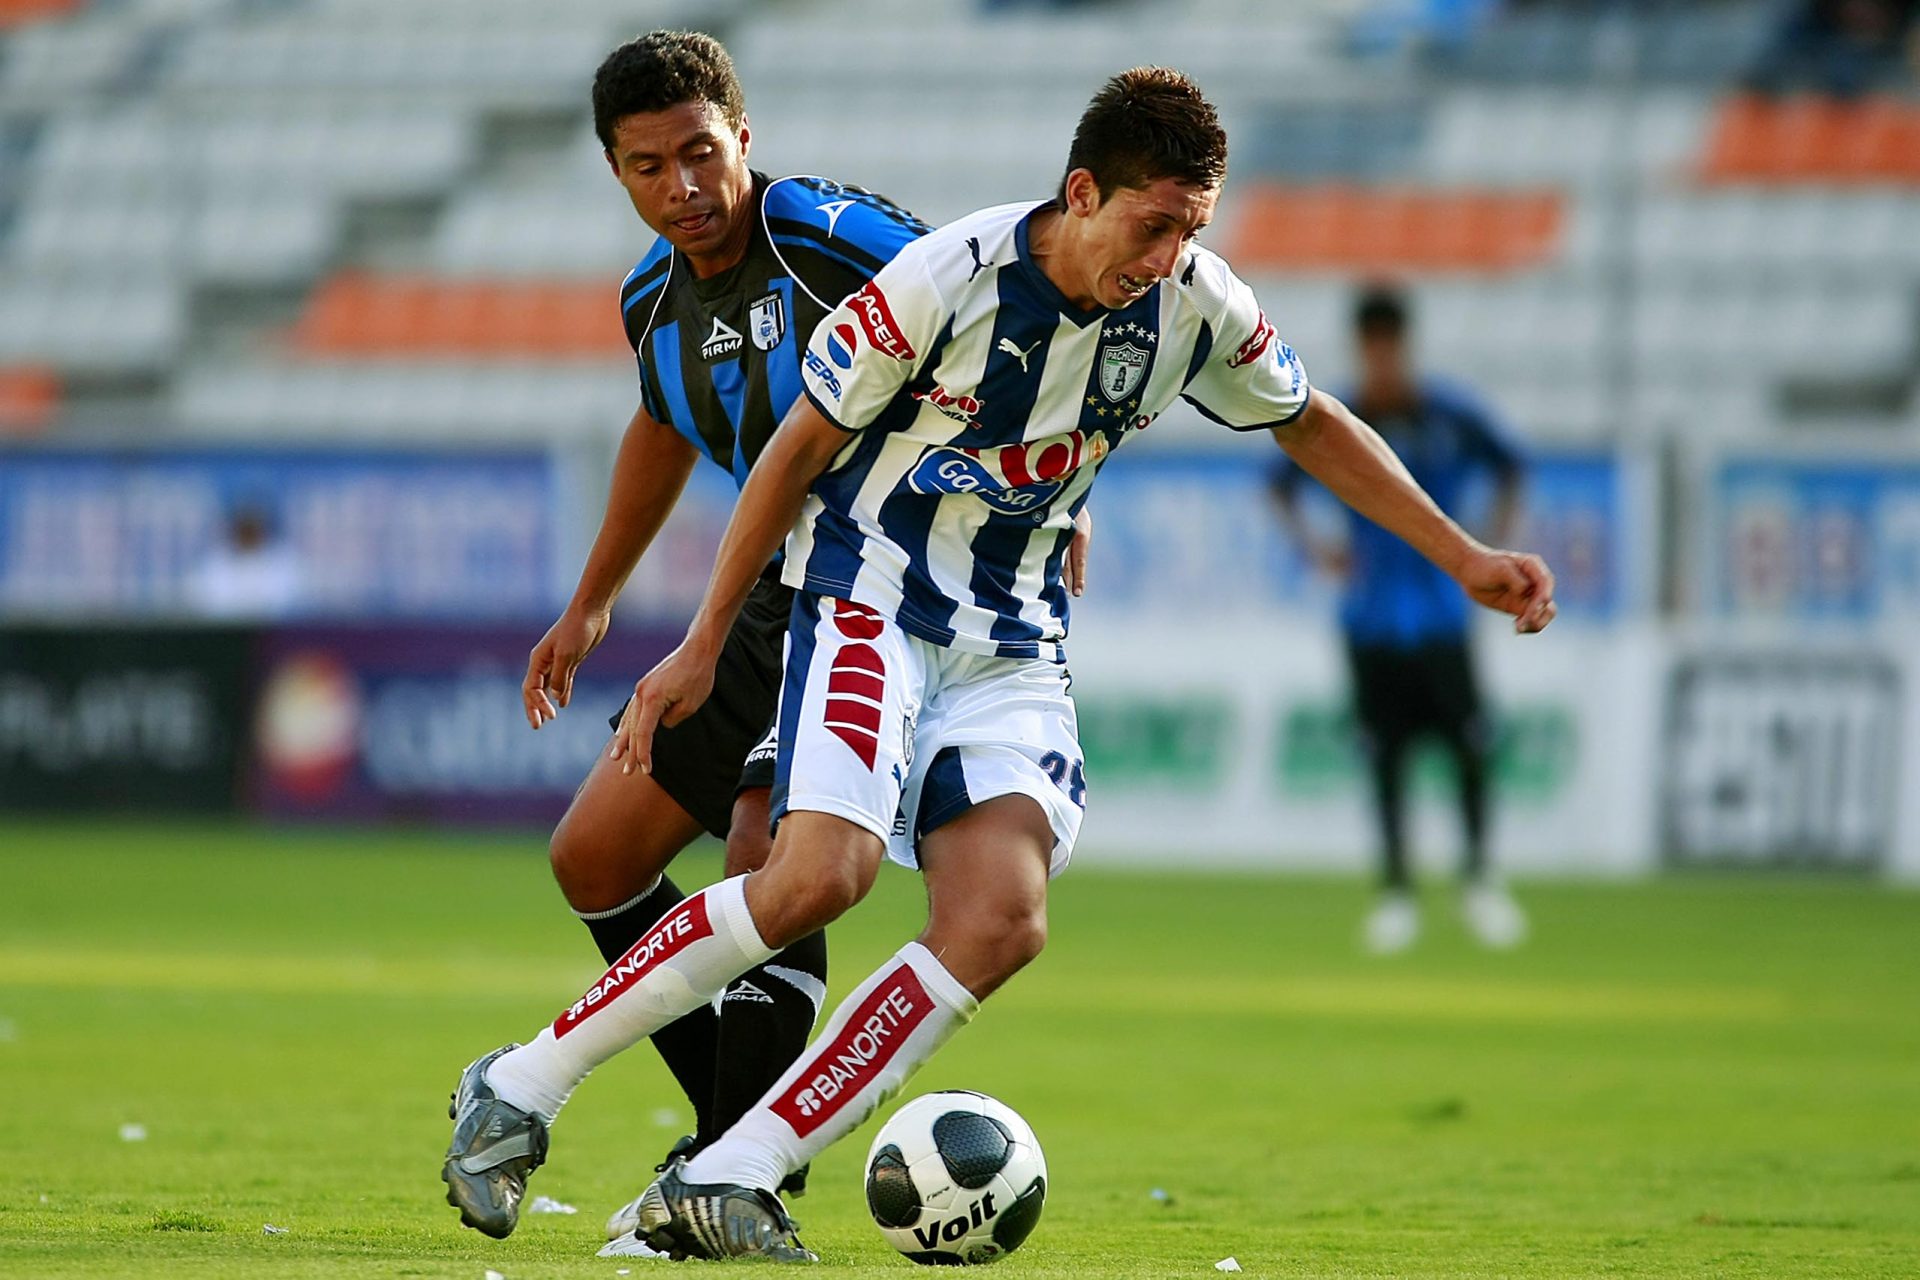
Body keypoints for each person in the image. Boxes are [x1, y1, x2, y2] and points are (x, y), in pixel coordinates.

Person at [451, 66, 1555, 1263]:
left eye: (1193, 227)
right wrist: (700, 637)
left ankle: (730, 1171)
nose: (1170, 253)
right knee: (817, 875)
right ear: (1082, 192)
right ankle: (521, 1081)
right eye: (1153, 224)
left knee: (1004, 916)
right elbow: (796, 447)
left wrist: (1462, 554)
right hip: (866, 591)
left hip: (1013, 634)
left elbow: (1310, 419)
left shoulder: (1195, 302)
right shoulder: (948, 276)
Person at [441, 30, 956, 1244]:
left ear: (744, 138)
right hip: (762, 597)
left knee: (766, 861)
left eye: (700, 153)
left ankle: (723, 1174)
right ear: (617, 173)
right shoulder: (649, 299)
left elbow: (994, 317)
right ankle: (728, 1145)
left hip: (874, 592)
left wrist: (1056, 487)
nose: (683, 187)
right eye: (647, 167)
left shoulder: (828, 238)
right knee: (592, 860)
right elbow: (665, 427)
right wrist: (592, 599)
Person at [1270, 285, 1528, 955]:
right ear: (1363, 348)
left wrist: (1488, 538)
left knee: (1468, 745)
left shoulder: (1448, 413)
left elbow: (1511, 465)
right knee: (1384, 757)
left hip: (1442, 612)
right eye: (1371, 347)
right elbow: (1279, 479)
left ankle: (1478, 880)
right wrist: (1318, 550)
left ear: (1403, 346)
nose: (1381, 358)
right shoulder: (1342, 421)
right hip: (1371, 618)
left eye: (1389, 346)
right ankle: (1396, 893)